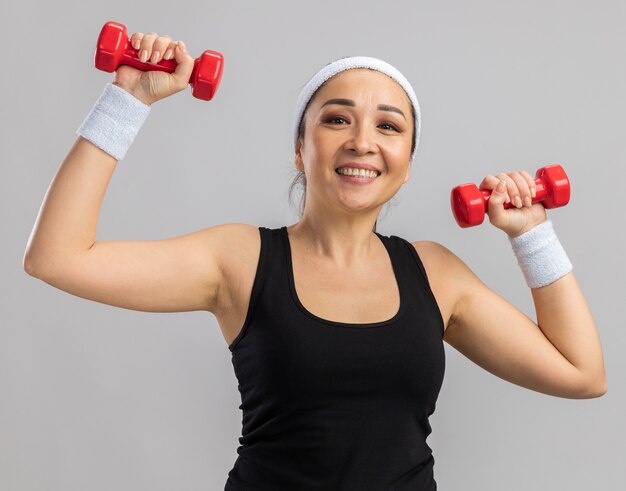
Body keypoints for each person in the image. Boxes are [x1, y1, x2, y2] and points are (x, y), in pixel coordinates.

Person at [23, 29, 607, 491]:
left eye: (388, 125)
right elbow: (58, 257)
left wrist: (532, 233)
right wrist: (128, 98)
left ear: (406, 159)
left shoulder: (435, 272)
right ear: (300, 149)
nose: (361, 141)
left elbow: (582, 375)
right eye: (336, 118)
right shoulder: (241, 260)